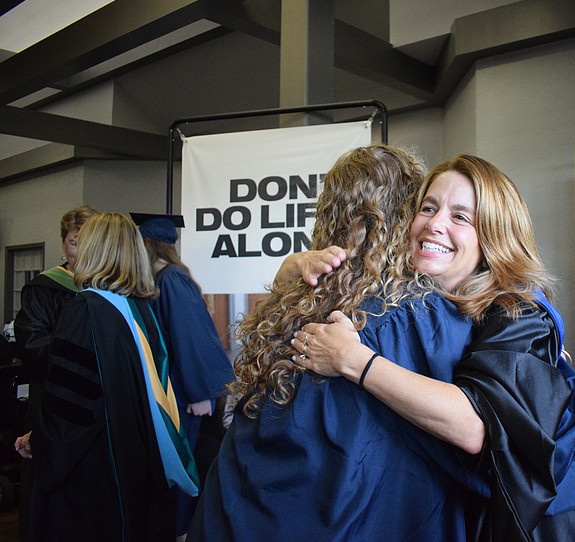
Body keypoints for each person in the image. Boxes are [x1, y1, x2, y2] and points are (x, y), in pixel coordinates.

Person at [189, 145, 489, 541]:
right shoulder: (417, 314)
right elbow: (479, 436)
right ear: (406, 214)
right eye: (426, 208)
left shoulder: (293, 300)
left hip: (239, 508)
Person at [290, 155, 575, 541]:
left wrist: (352, 360)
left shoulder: (520, 314)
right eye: (428, 208)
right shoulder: (428, 300)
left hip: (530, 523)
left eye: (461, 217)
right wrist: (293, 266)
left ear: (495, 235)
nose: (435, 224)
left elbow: (475, 428)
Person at [15, 212, 199, 541]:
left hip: (95, 467)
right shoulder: (138, 307)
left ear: (95, 251)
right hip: (135, 456)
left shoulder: (87, 309)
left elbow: (72, 406)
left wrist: (40, 440)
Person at [131, 212, 235, 540]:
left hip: (185, 393)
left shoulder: (172, 280)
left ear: (147, 247)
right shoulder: (164, 280)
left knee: (183, 466)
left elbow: (191, 336)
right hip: (173, 390)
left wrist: (201, 393)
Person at [12, 203, 97, 541]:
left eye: (87, 242)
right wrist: (81, 359)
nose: (80, 250)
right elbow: (32, 345)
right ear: (64, 243)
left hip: (93, 404)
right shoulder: (45, 288)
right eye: (74, 242)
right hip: (55, 397)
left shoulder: (106, 289)